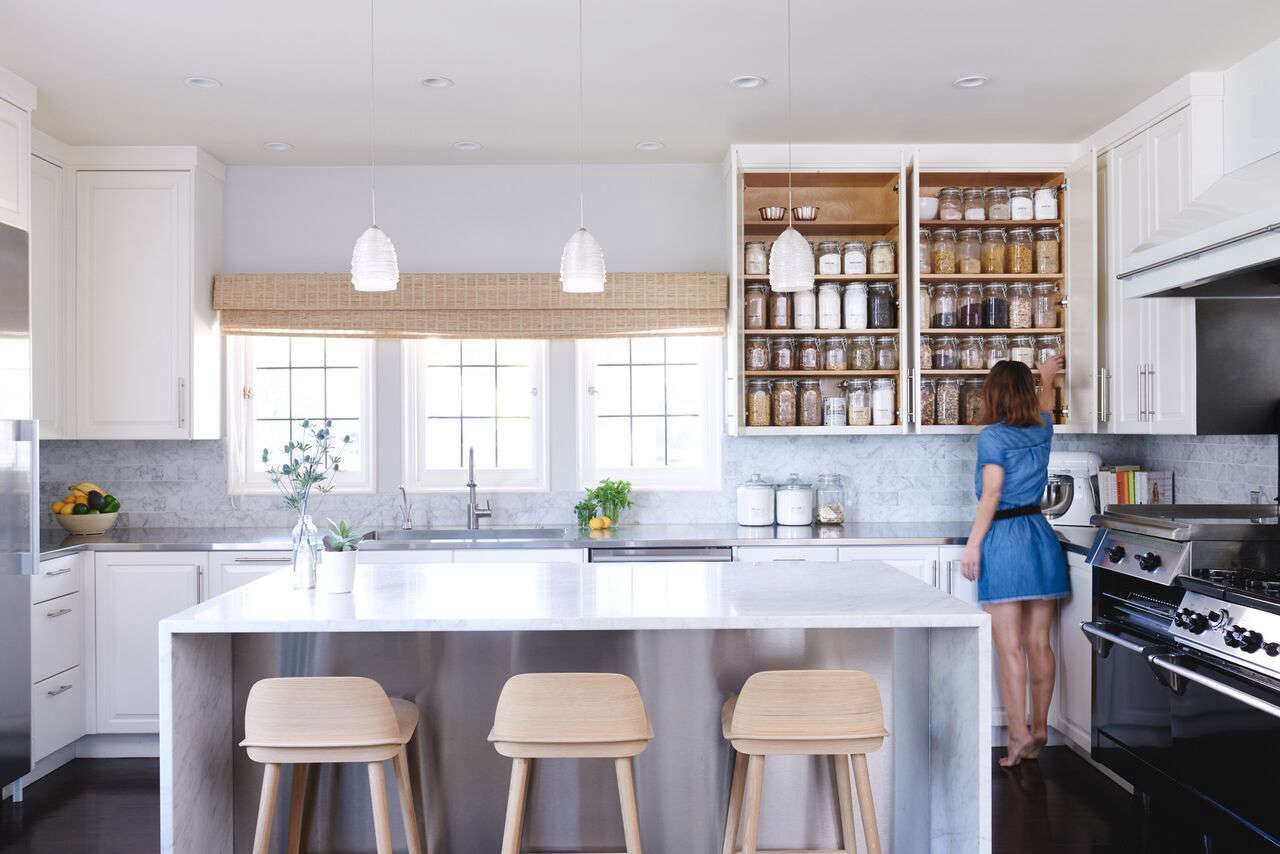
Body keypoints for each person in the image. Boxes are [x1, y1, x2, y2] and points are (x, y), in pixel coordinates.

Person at [961, 355, 1067, 767]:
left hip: (1004, 539)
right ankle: (1040, 726)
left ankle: (1018, 734)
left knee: (1008, 647)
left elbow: (991, 494)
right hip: (1040, 537)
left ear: (993, 394)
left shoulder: (992, 437)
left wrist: (973, 545)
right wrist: (1047, 377)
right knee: (1038, 642)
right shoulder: (1044, 427)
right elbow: (1046, 403)